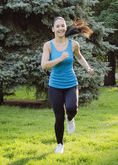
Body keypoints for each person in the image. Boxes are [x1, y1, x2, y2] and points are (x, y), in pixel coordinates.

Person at [41, 16, 94, 154]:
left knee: (72, 108)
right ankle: (60, 144)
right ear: (53, 29)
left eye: (62, 25)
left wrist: (88, 68)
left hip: (71, 83)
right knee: (59, 117)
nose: (60, 28)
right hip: (55, 86)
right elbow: (44, 65)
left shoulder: (73, 44)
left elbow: (80, 57)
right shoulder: (48, 45)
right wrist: (59, 58)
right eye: (57, 26)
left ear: (66, 27)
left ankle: (70, 119)